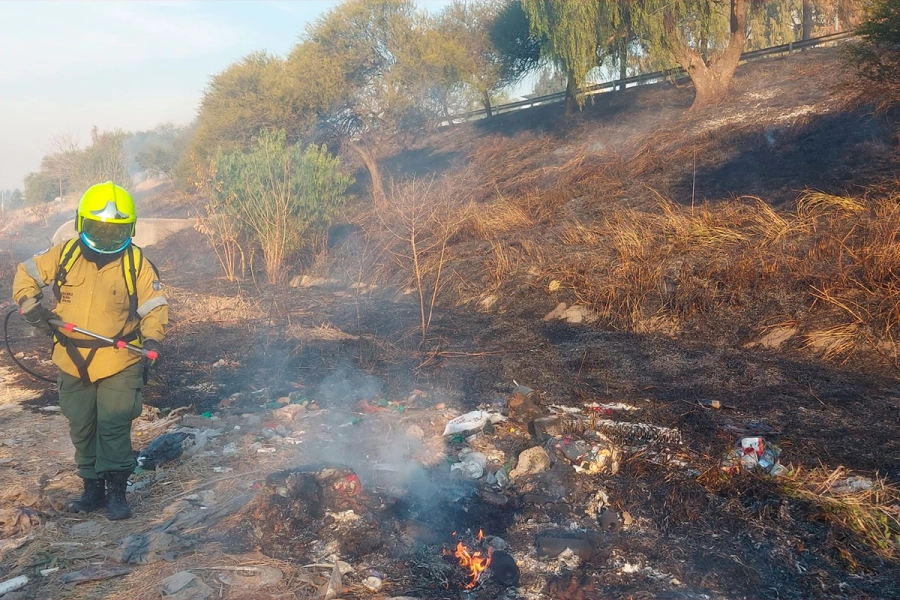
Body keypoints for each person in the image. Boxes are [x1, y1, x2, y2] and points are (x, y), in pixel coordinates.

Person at [12, 181, 168, 520]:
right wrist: (30, 304)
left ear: (130, 229)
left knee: (113, 425)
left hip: (120, 358)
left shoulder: (136, 262)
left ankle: (116, 493)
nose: (108, 238)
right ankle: (92, 489)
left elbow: (154, 306)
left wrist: (153, 340)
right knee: (81, 425)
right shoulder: (65, 254)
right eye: (99, 229)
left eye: (117, 232)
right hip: (72, 357)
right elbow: (26, 273)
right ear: (82, 224)